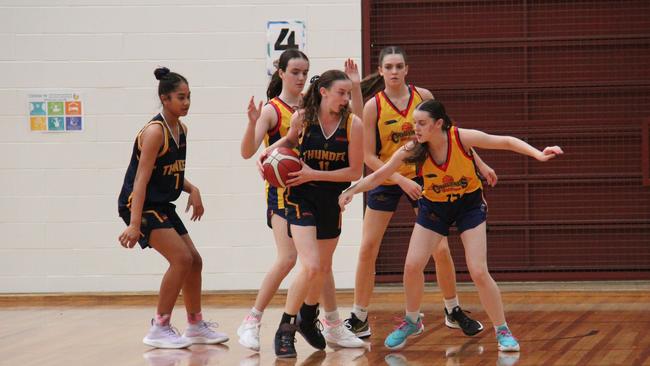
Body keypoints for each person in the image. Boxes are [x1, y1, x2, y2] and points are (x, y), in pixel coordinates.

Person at [339, 99, 563, 351]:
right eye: (414, 123)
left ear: (439, 124)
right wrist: (352, 189)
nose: (416, 128)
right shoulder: (412, 149)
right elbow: (380, 175)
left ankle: (502, 330)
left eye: (422, 123)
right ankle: (412, 321)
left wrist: (538, 154)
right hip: (435, 207)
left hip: (468, 205)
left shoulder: (461, 137)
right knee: (412, 266)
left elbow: (506, 141)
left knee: (478, 270)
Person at [344, 46, 494, 339]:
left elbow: (452, 135)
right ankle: (359, 317)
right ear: (381, 70)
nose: (394, 71)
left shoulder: (423, 97)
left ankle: (453, 309)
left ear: (407, 69)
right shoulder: (375, 105)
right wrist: (400, 179)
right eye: (389, 67)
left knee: (439, 250)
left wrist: (480, 162)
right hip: (390, 178)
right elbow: (368, 156)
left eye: (399, 66)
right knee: (367, 248)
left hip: (425, 178)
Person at [238, 50, 364, 352]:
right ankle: (259, 321)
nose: (300, 77)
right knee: (297, 261)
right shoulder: (279, 110)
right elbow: (258, 149)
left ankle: (322, 320)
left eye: (304, 72)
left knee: (321, 266)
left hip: (324, 192)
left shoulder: (325, 107)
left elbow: (357, 129)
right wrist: (265, 151)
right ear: (280, 72)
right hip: (288, 191)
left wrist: (355, 87)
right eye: (295, 71)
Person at [118, 67, 228, 349]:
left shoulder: (181, 129)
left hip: (162, 204)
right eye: (181, 97)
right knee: (181, 260)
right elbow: (141, 181)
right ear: (165, 99)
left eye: (189, 96)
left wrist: (193, 189)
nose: (187, 102)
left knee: (195, 261)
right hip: (139, 205)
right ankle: (160, 326)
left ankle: (195, 325)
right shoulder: (156, 131)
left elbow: (170, 172)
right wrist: (133, 224)